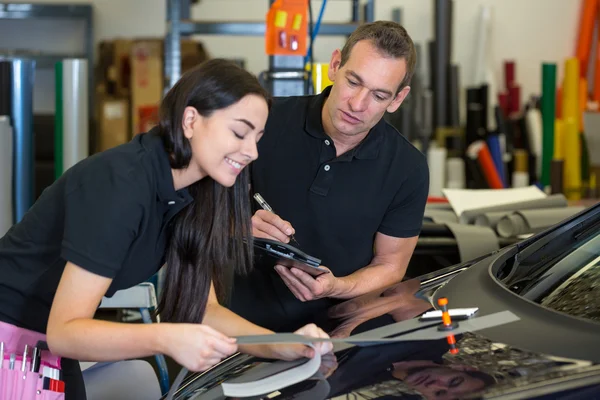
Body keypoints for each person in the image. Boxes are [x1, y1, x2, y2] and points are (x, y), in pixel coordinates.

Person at [0, 59, 331, 399]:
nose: (251, 151)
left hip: (44, 343)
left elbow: (204, 310)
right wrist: (167, 337)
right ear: (190, 120)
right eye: (239, 132)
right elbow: (65, 332)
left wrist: (279, 346)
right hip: (13, 337)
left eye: (258, 138)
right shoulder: (121, 184)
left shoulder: (195, 193)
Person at [229, 21, 430, 330]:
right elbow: (193, 211)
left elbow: (390, 266)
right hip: (238, 325)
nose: (358, 104)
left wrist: (337, 286)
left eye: (378, 95)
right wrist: (238, 226)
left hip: (336, 335)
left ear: (398, 99)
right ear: (335, 65)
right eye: (353, 81)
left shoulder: (408, 169)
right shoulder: (264, 122)